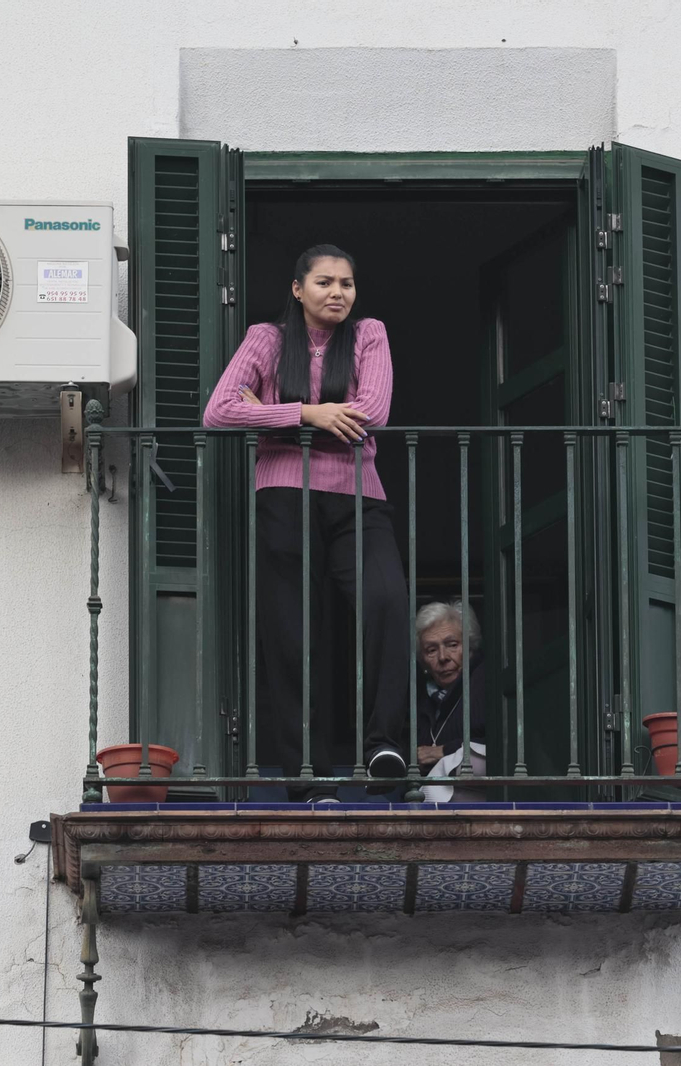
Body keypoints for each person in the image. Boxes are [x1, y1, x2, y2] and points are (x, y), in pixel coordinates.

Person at [203, 244, 409, 803]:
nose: (337, 292)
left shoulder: (368, 335)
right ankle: (308, 775)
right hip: (283, 498)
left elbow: (374, 412)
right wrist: (308, 414)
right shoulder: (266, 340)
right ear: (298, 289)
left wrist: (266, 415)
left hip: (358, 496)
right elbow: (219, 411)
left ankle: (382, 744)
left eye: (346, 283)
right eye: (324, 282)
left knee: (387, 600)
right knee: (293, 632)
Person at [414, 600, 486, 774]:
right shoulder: (424, 696)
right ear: (423, 660)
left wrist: (444, 750)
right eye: (431, 650)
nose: (443, 657)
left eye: (452, 645)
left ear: (470, 646)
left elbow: (505, 742)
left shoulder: (485, 682)